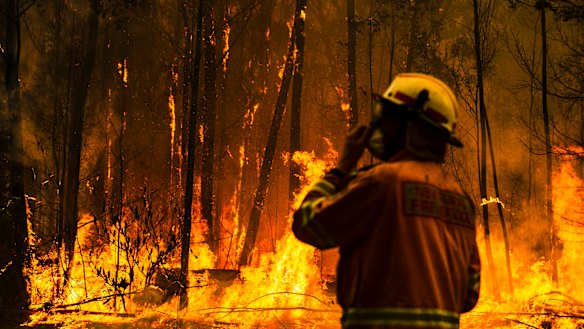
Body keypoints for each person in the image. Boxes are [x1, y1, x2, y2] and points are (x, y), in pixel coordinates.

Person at [292, 73, 480, 329]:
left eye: (387, 119)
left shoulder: (383, 182)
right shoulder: (461, 201)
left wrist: (342, 168)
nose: (379, 127)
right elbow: (469, 296)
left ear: (409, 127)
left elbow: (307, 224)